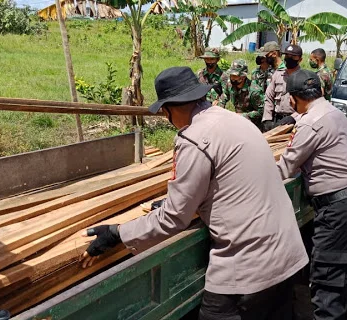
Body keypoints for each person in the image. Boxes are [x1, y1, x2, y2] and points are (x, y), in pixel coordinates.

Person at [81, 66, 309, 318]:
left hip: (249, 266)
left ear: (168, 109)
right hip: (288, 254)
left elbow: (174, 219)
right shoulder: (235, 120)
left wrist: (117, 233)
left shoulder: (194, 139)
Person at [276, 69, 347, 320]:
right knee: (345, 284)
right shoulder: (335, 113)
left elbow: (285, 169)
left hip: (337, 214)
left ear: (293, 98)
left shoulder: (310, 123)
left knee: (328, 288)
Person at [262, 44, 304, 132]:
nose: (289, 58)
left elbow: (308, 104)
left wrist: (293, 117)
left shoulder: (303, 78)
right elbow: (268, 97)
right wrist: (267, 119)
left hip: (296, 122)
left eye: (293, 57)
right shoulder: (277, 74)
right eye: (287, 55)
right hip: (277, 120)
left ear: (300, 60)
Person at [217, 59, 265, 129]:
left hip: (254, 125)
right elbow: (224, 97)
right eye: (231, 75)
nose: (232, 78)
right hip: (238, 121)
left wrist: (243, 115)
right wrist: (219, 111)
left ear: (243, 76)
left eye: (235, 76)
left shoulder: (254, 91)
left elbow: (261, 111)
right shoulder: (229, 84)